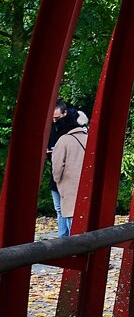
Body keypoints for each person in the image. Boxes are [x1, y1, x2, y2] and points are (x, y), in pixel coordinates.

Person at [51, 107, 89, 238]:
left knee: (67, 216)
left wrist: (57, 180)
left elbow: (57, 168)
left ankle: (69, 249)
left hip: (68, 187)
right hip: (85, 186)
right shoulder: (88, 138)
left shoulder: (63, 140)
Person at [47, 99, 72, 238]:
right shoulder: (50, 128)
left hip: (67, 176)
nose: (55, 120)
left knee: (67, 209)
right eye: (53, 118)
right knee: (59, 209)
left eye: (57, 117)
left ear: (65, 113)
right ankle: (63, 239)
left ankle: (69, 241)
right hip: (56, 174)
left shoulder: (71, 130)